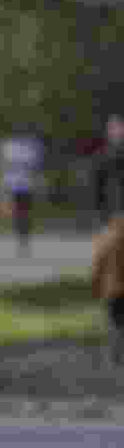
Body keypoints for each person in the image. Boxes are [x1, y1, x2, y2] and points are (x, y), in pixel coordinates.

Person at [0, 130, 46, 257]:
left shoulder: (32, 145)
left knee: (24, 213)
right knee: (17, 214)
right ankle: (21, 239)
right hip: (12, 184)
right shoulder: (7, 145)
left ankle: (23, 240)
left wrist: (39, 182)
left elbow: (37, 167)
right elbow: (2, 165)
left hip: (27, 184)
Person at [92, 214, 124, 365]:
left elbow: (98, 265)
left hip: (112, 289)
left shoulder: (105, 239)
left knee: (114, 323)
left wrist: (96, 286)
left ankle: (115, 354)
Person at [91, 114, 124, 227]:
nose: (115, 132)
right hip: (110, 207)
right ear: (107, 132)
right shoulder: (102, 155)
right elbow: (98, 184)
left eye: (118, 128)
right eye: (112, 128)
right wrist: (99, 209)